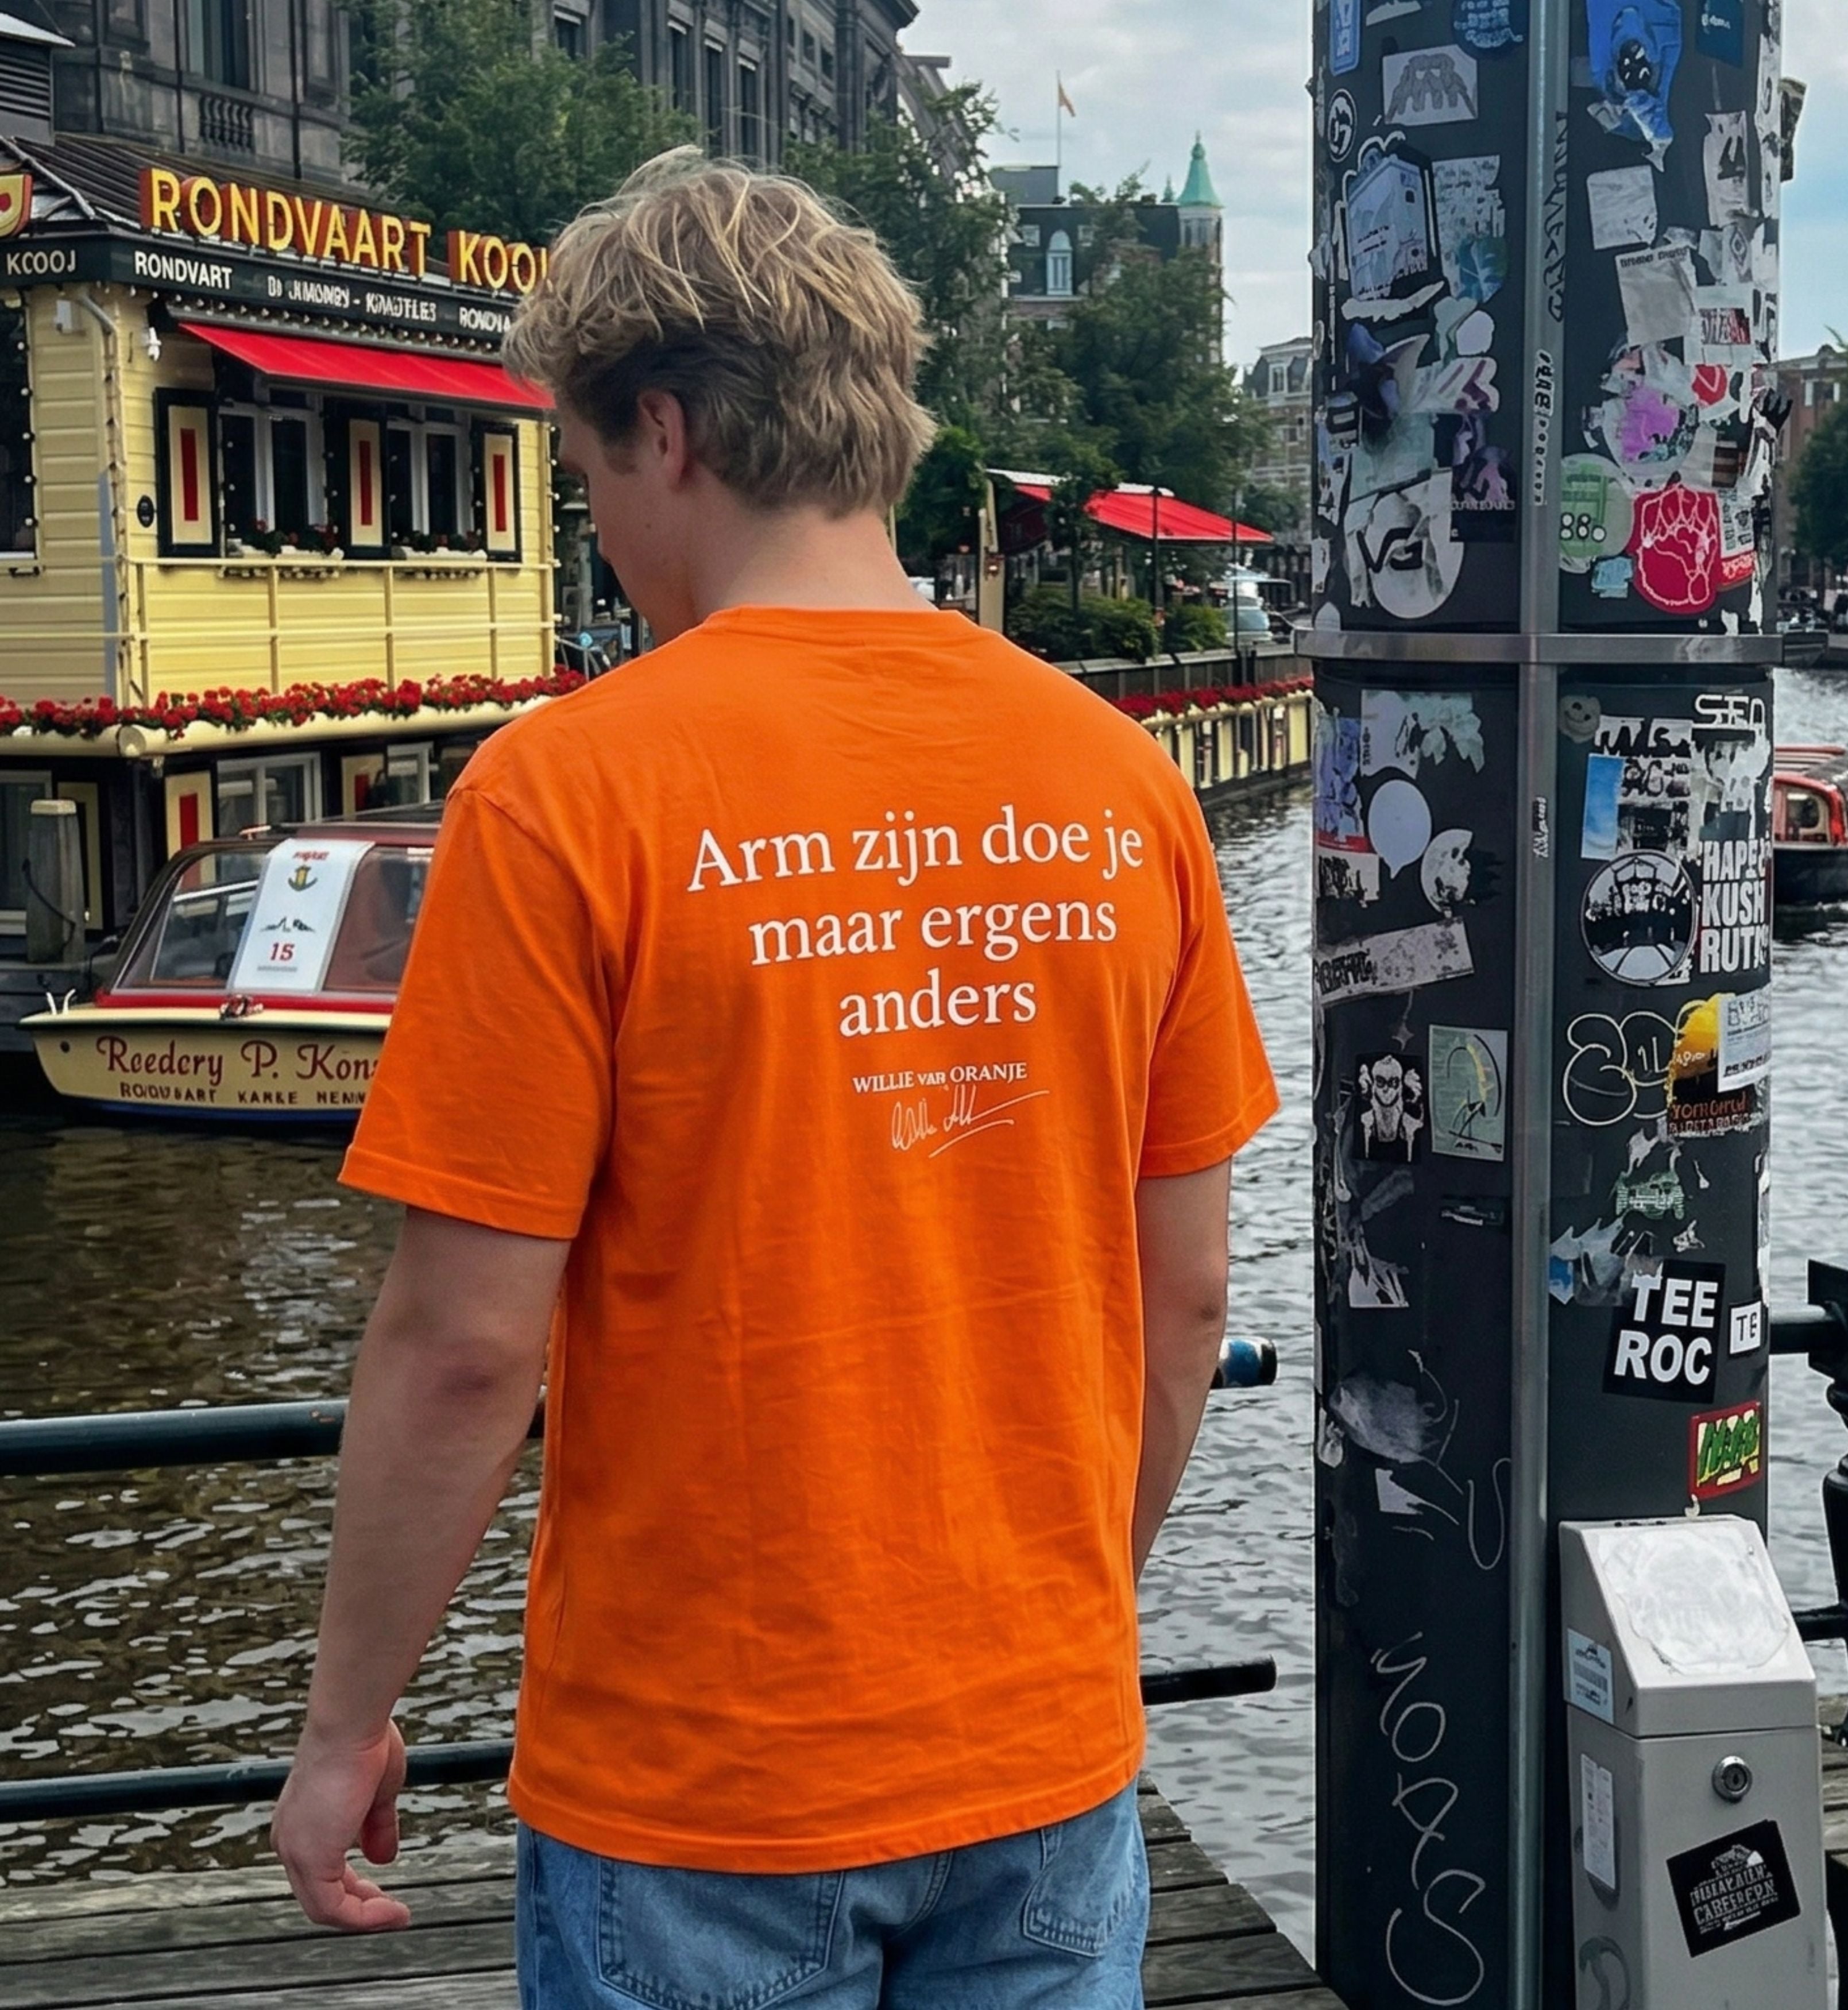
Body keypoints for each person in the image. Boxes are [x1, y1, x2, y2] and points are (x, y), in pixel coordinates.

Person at [269, 148, 1277, 2010]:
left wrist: (348, 1722)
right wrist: (1060, 1623)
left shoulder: (565, 793)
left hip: (705, 1784)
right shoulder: (1119, 780)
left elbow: (467, 1343)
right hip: (1043, 1751)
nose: (596, 531)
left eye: (583, 479)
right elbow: (1189, 1288)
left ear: (662, 431)